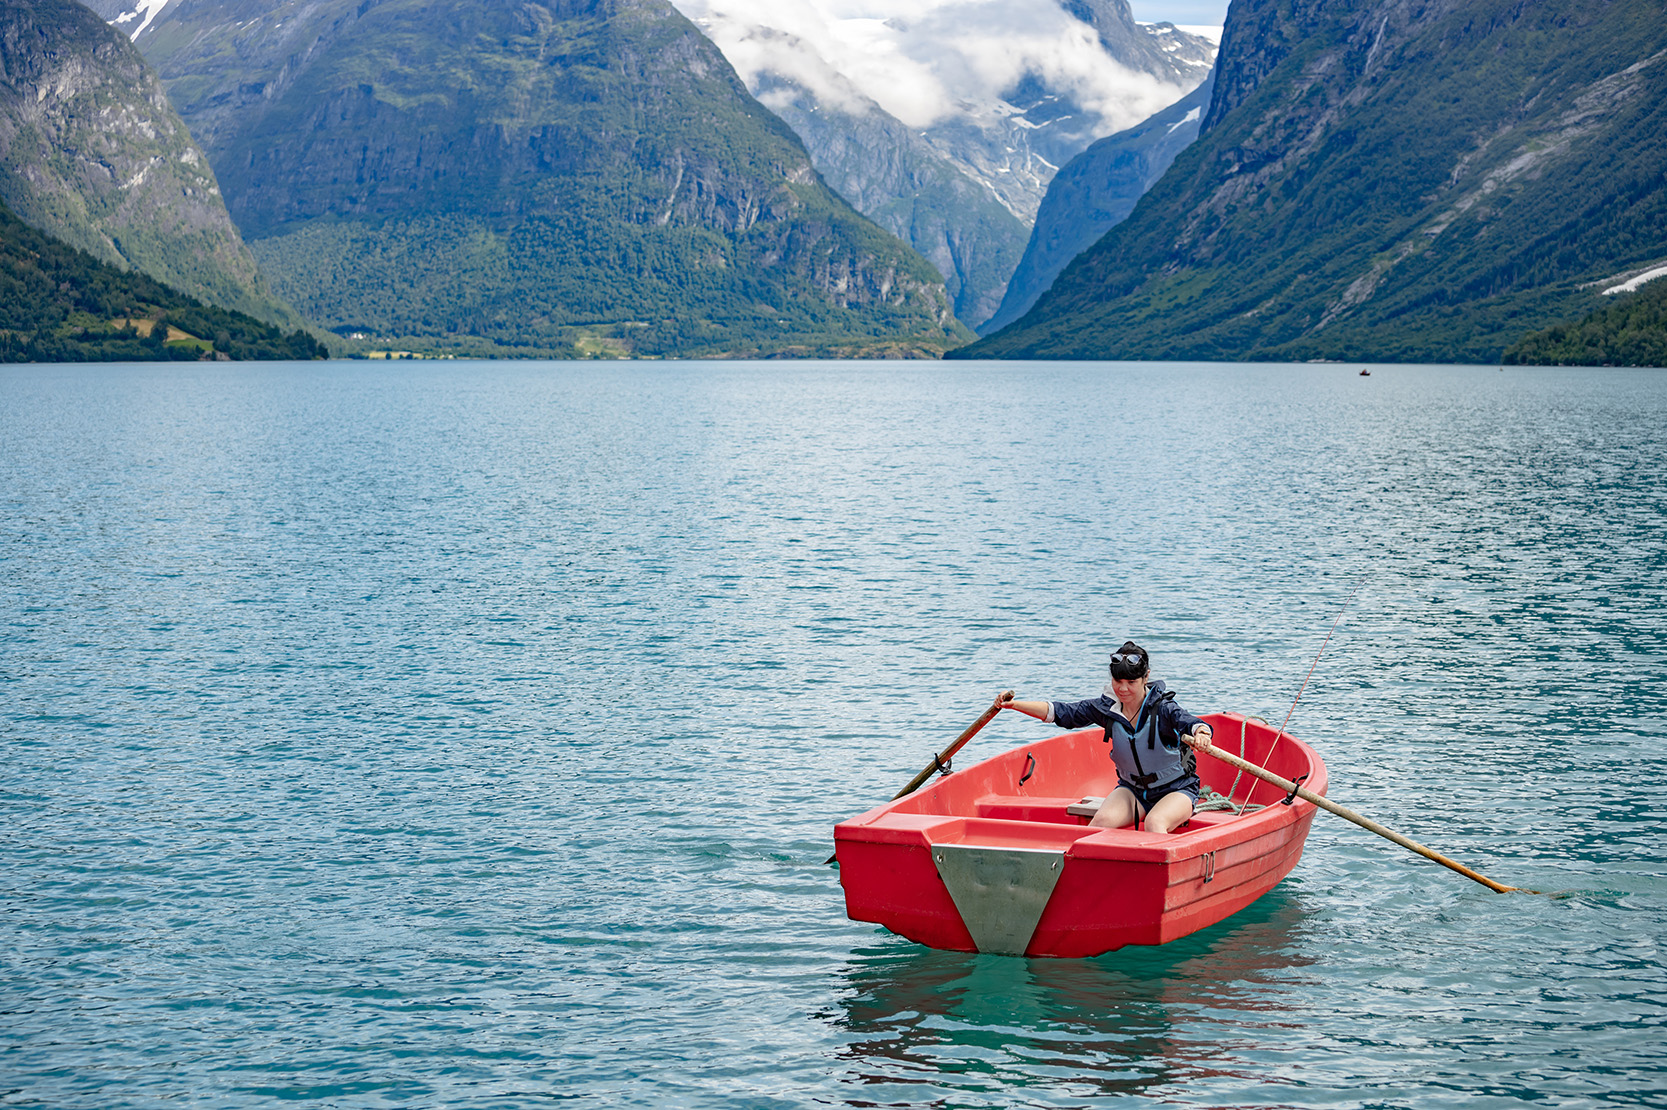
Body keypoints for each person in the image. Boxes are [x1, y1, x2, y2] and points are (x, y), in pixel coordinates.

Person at [996, 641, 1215, 834]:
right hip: (1133, 791)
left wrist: (1202, 733)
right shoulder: (1106, 708)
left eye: (1131, 683)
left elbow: (1190, 722)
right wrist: (1015, 705)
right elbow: (1061, 712)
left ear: (1146, 677)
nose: (1123, 689)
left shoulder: (1164, 709)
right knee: (1099, 822)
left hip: (1176, 789)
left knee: (1154, 823)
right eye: (1118, 681)